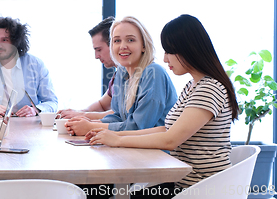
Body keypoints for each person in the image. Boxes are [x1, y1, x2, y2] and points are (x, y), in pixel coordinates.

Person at [86, 14, 238, 198]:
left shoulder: (209, 88)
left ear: (187, 50)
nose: (165, 59)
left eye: (169, 51)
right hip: (183, 182)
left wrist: (117, 140)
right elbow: (166, 128)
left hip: (201, 188)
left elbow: (170, 140)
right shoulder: (193, 86)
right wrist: (114, 135)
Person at [66, 16, 177, 136]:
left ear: (144, 46)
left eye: (130, 40)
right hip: (132, 148)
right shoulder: (121, 74)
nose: (122, 46)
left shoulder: (154, 73)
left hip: (156, 153)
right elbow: (118, 117)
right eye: (117, 41)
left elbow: (139, 127)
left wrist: (92, 126)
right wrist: (89, 123)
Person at [0, 16, 58, 117]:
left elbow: (51, 102)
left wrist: (36, 110)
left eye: (4, 40)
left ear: (15, 42)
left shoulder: (36, 64)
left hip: (29, 126)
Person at [57, 16, 117, 120]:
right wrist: (78, 112)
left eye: (99, 50)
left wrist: (83, 115)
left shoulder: (140, 75)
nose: (96, 56)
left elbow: (121, 114)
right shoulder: (118, 76)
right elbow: (102, 105)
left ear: (113, 45)